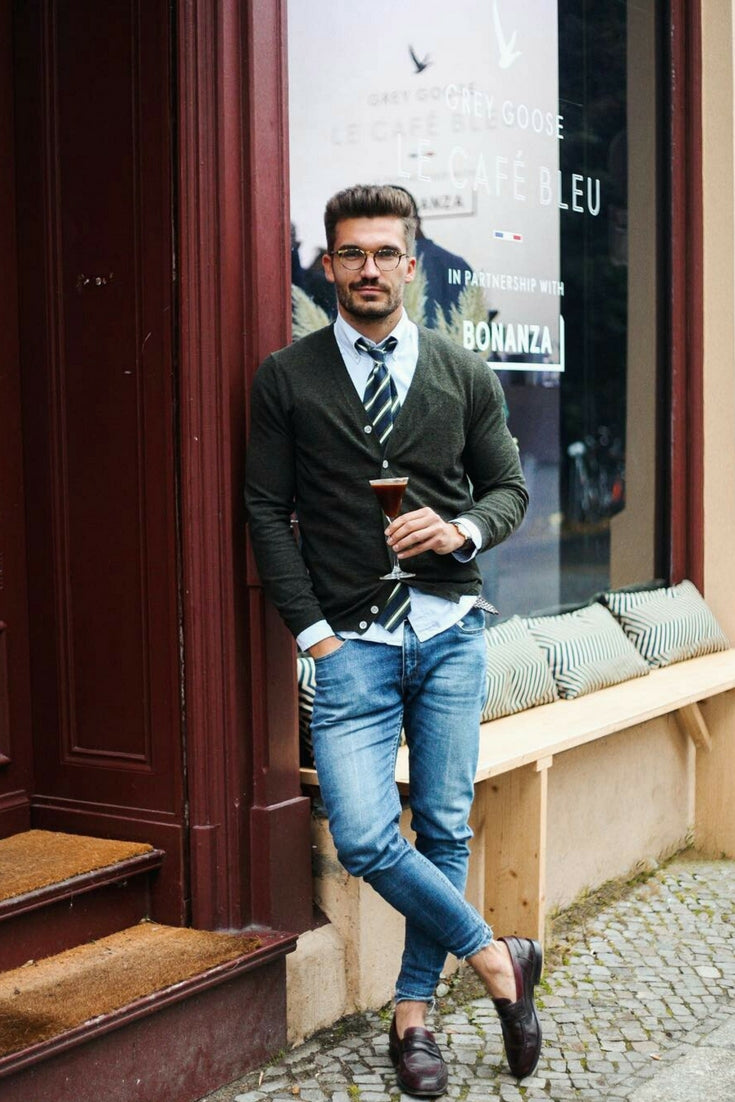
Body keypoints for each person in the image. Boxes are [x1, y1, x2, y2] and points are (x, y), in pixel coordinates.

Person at [245, 184, 541, 1092]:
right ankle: (496, 959)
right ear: (327, 265)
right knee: (367, 837)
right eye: (350, 254)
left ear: (410, 264)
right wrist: (315, 638)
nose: (367, 269)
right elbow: (264, 510)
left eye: (383, 253)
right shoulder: (286, 378)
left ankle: (412, 1019)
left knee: (443, 826)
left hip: (451, 634)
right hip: (350, 648)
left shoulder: (463, 372)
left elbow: (508, 490)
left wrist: (460, 531)